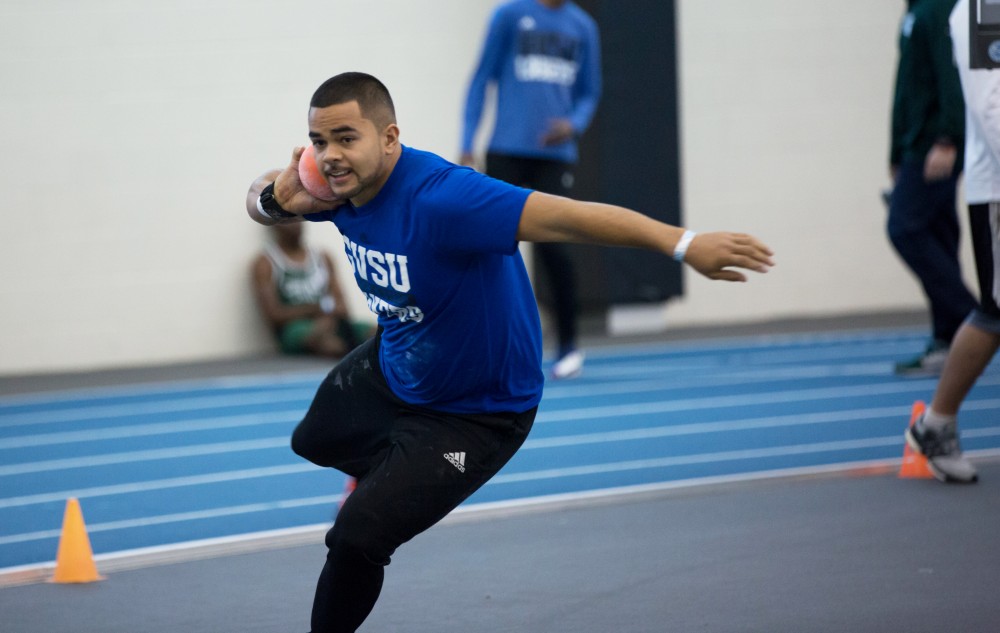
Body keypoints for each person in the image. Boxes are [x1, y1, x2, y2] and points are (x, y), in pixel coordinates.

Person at [245, 71, 773, 633]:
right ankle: (380, 471)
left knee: (355, 537)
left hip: (478, 411)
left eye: (347, 138)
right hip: (396, 365)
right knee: (312, 439)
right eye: (319, 140)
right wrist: (278, 200)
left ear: (390, 138)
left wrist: (685, 244)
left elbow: (572, 217)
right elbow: (256, 201)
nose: (330, 156)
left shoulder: (447, 199)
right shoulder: (332, 184)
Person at [460, 0, 601, 379]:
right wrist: (467, 141)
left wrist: (573, 124)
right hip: (506, 150)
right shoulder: (509, 15)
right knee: (494, 248)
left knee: (558, 249)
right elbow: (481, 78)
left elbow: (590, 91)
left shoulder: (582, 26)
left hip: (554, 157)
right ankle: (486, 345)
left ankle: (569, 344)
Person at [905, 0, 1000, 483]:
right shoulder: (983, 9)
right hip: (998, 190)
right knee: (995, 310)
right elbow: (990, 104)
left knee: (995, 312)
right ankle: (937, 423)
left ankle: (937, 423)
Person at [887, 0, 977, 376]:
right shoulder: (916, 9)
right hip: (915, 145)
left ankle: (975, 317)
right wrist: (895, 150)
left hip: (933, 146)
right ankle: (949, 338)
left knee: (904, 227)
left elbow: (953, 75)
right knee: (939, 234)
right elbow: (906, 86)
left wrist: (948, 139)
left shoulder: (942, 8)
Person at [250, 208, 361, 358]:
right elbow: (274, 315)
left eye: (298, 219)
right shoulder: (265, 263)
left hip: (331, 321)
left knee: (378, 333)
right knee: (329, 343)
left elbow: (342, 307)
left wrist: (327, 318)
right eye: (288, 221)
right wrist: (318, 310)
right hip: (296, 330)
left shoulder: (323, 257)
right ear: (275, 225)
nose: (296, 225)